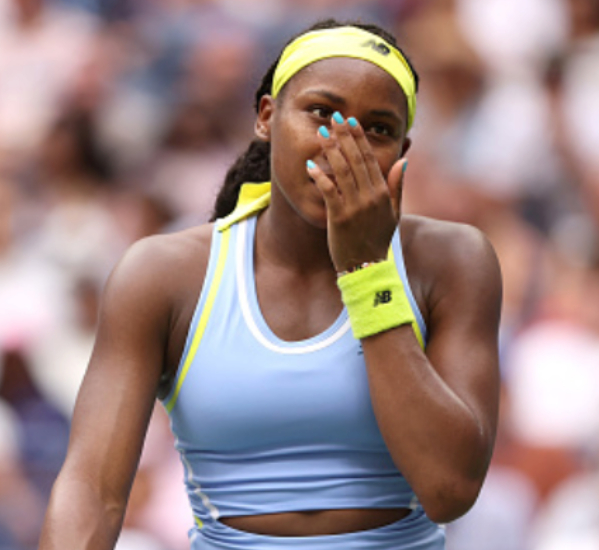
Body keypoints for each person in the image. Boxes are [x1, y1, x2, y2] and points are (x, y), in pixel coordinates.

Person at [38, 19, 502, 550]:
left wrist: (368, 271)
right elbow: (93, 489)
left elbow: (450, 489)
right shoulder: (161, 274)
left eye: (377, 129)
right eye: (322, 114)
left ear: (403, 151)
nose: (342, 146)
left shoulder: (454, 261)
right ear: (266, 117)